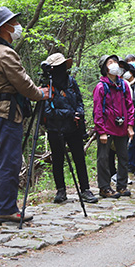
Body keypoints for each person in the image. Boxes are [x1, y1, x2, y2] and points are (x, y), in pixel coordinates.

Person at [0, 6, 49, 223]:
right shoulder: (5, 52)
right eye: (13, 23)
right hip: (7, 112)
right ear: (4, 28)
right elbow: (22, 83)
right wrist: (40, 94)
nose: (17, 27)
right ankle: (7, 208)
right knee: (9, 161)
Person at [42, 53, 98, 205]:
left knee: (79, 158)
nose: (63, 69)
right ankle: (61, 190)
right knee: (58, 160)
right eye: (59, 67)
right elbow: (47, 111)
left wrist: (79, 112)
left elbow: (79, 100)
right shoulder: (47, 86)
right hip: (55, 128)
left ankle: (85, 189)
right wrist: (69, 114)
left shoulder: (71, 82)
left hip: (74, 128)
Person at [93, 54, 135, 198]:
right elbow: (97, 110)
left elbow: (130, 105)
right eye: (110, 62)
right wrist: (101, 131)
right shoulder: (100, 87)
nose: (114, 64)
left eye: (115, 62)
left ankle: (121, 186)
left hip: (122, 127)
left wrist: (130, 125)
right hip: (106, 128)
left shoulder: (123, 85)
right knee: (103, 158)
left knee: (124, 157)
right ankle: (104, 188)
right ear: (104, 67)